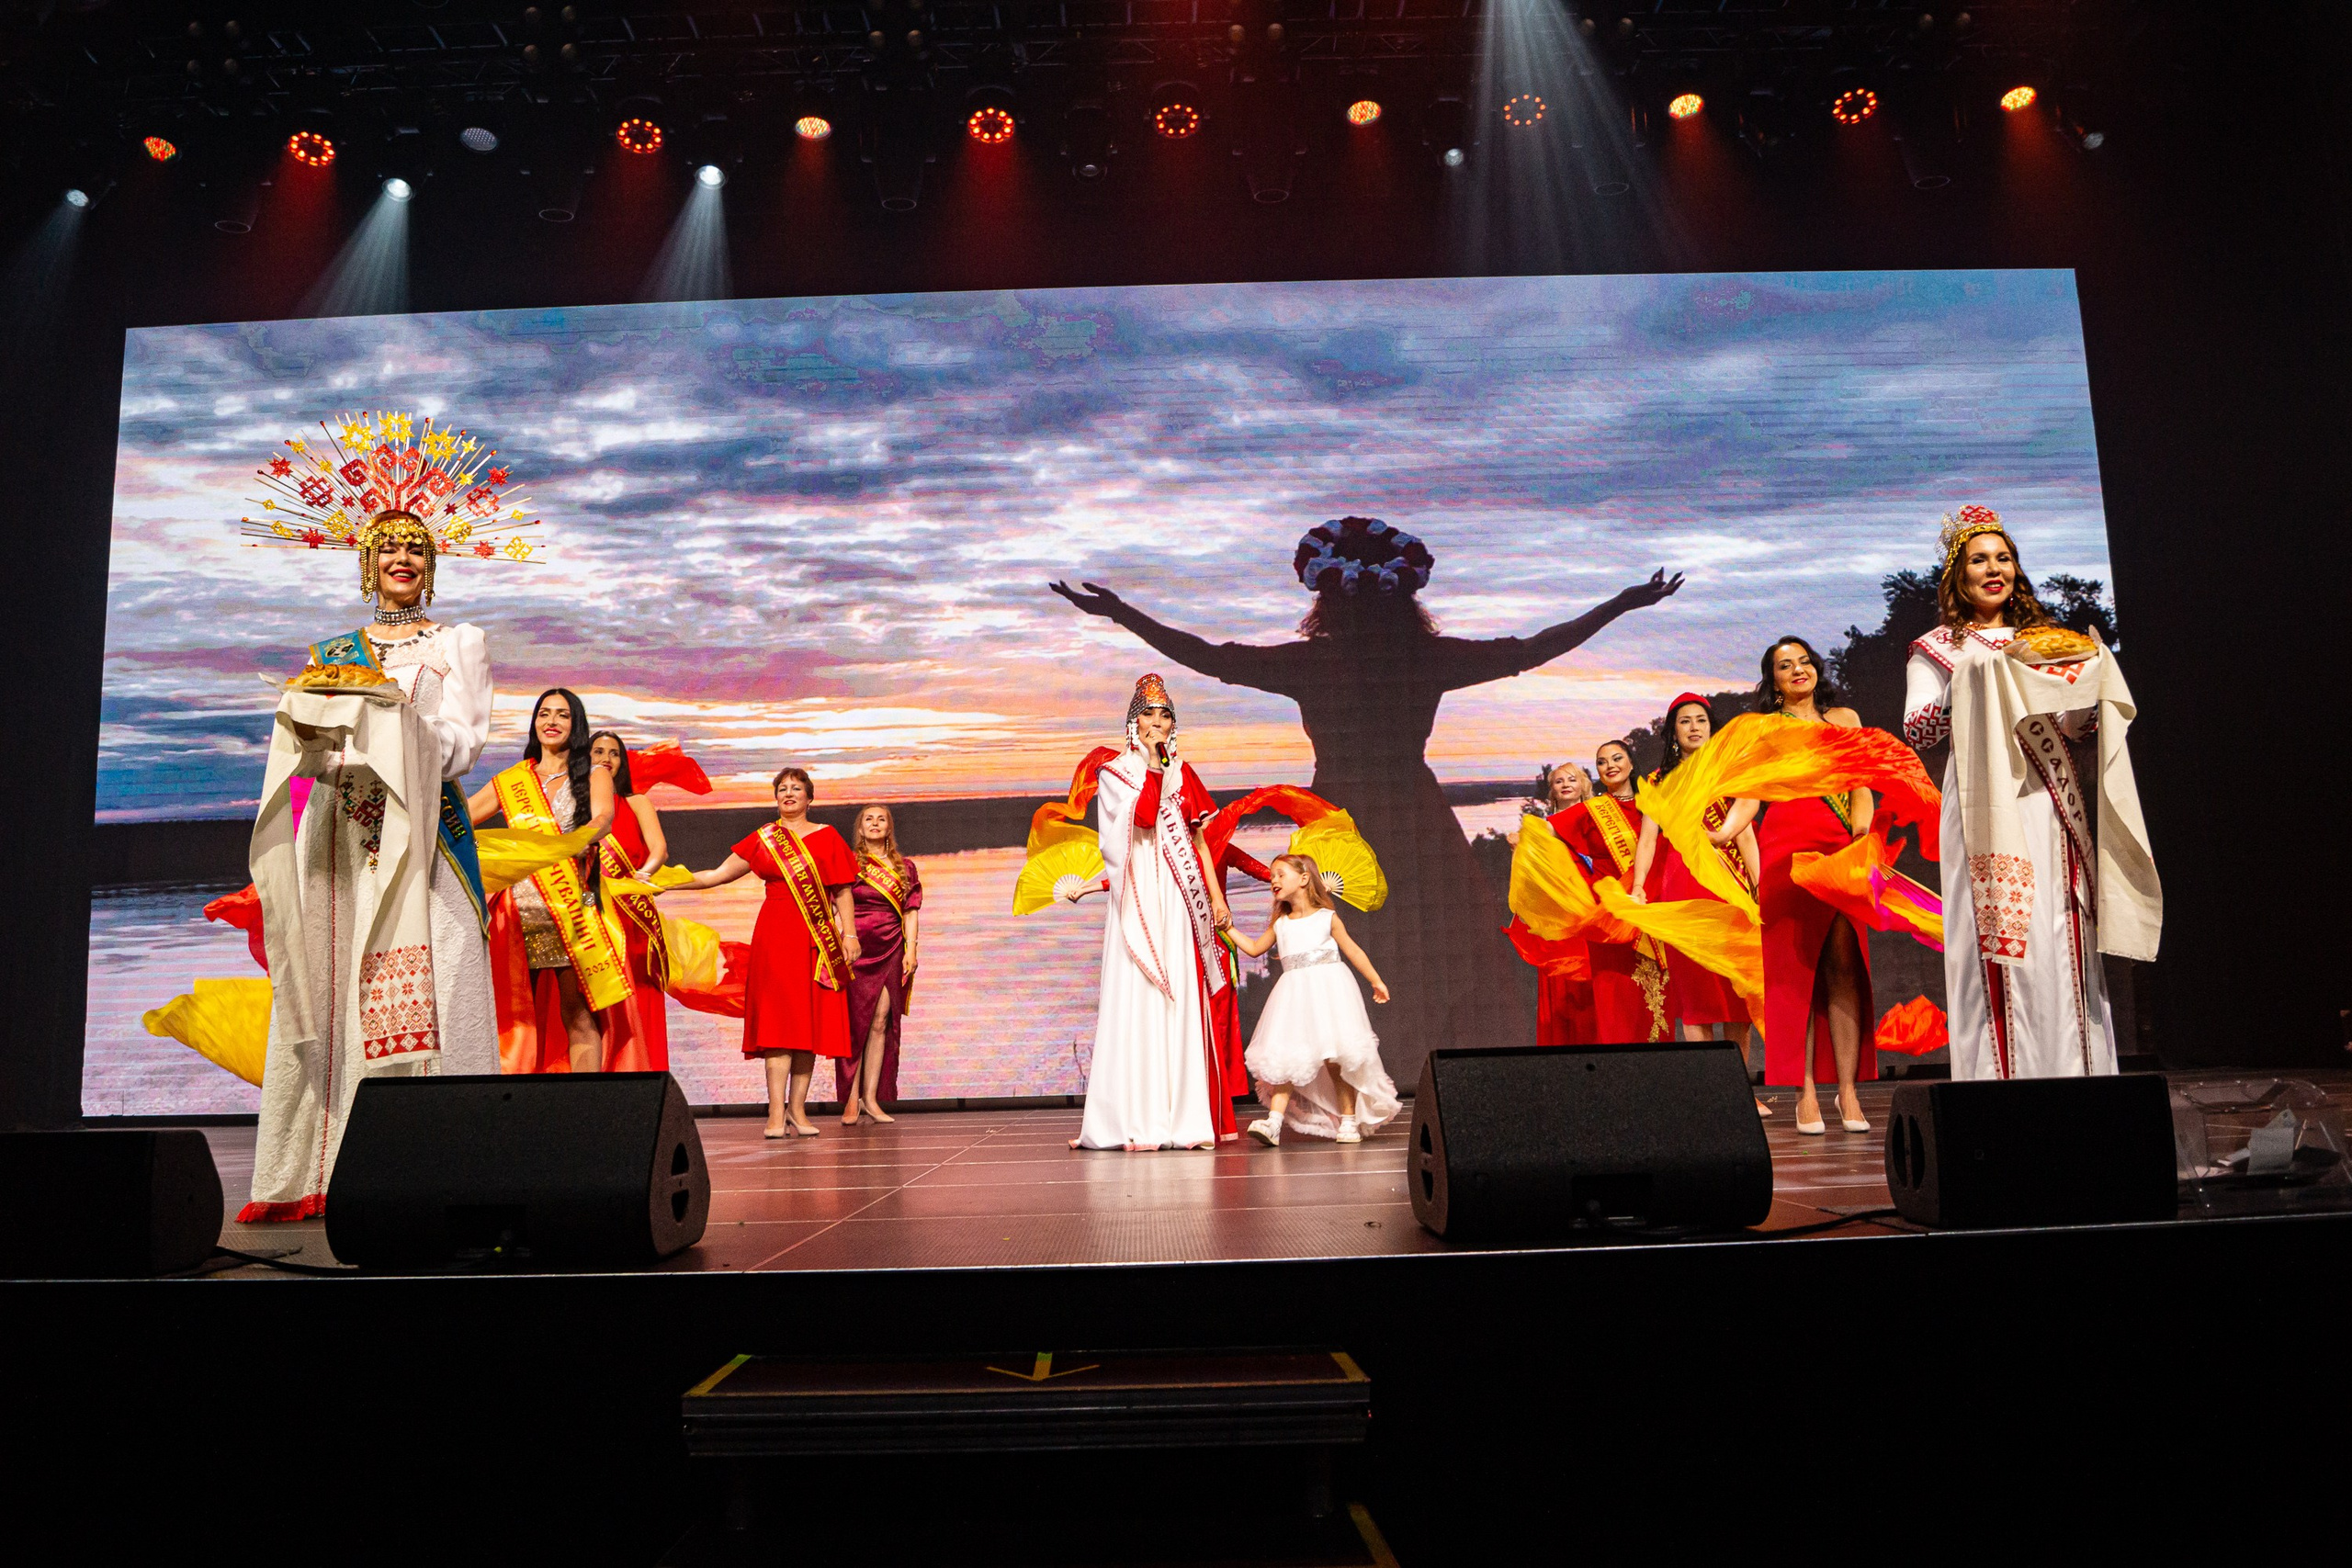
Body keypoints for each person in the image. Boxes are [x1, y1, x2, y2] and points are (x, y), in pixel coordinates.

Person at [1050, 517, 1681, 1088]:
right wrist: (1622, 602)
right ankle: (1428, 1074)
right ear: (1404, 597)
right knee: (1432, 951)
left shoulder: (1314, 663)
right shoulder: (1425, 657)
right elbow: (1530, 649)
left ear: (1327, 600)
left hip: (1338, 819)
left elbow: (1212, 658)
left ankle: (1350, 1082)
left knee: (1336, 950)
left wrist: (1121, 613)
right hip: (1414, 820)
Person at [240, 410, 510, 1223]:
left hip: (424, 831)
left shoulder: (458, 643)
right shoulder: (331, 654)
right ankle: (324, 1170)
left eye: (416, 549)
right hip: (338, 835)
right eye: (388, 547)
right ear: (367, 561)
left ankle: (447, 1176)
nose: (402, 558)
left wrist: (394, 720)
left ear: (431, 566)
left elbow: (462, 746)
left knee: (441, 985)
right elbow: (309, 753)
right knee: (332, 990)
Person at [1903, 506, 2160, 1079]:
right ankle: (2000, 1086)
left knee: (2059, 927)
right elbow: (1919, 729)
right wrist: (1973, 674)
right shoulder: (1937, 648)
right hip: (1982, 802)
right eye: (1979, 560)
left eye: (2004, 558)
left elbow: (2074, 726)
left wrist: (2089, 685)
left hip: (2047, 798)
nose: (1994, 569)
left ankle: (2077, 1076)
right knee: (1996, 935)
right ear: (1958, 575)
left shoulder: (2043, 641)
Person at [1709, 640, 1875, 1135]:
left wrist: (1862, 839)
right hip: (1786, 850)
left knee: (1844, 965)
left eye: (1804, 661)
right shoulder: (1763, 729)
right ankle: (1805, 1093)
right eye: (1786, 665)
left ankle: (1847, 1091)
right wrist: (1722, 833)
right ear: (1773, 680)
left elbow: (1861, 787)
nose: (1798, 669)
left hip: (1839, 847)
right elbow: (1749, 798)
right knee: (1794, 972)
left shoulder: (1844, 719)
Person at [1064, 674, 1235, 1152]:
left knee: (1178, 994)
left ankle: (1181, 1119)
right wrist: (1156, 770)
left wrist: (1216, 898)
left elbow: (1198, 841)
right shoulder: (1115, 773)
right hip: (1138, 894)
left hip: (1177, 897)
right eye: (1148, 715)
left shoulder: (1185, 772)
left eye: (1165, 716)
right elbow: (1140, 820)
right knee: (1138, 992)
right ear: (1133, 723)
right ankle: (1134, 1117)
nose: (1157, 723)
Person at [662, 768, 858, 1137]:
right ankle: (774, 1113)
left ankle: (797, 1111)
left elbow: (843, 890)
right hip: (775, 937)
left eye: (796, 788)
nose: (789, 793)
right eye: (782, 788)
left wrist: (849, 935)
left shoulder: (828, 836)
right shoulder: (765, 838)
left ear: (809, 798)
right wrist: (665, 883)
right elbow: (715, 875)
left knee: (807, 1024)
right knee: (779, 1024)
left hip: (815, 939)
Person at [1628, 694, 1769, 1113]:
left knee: (1736, 993)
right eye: (1685, 721)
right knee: (1696, 998)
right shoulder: (1658, 781)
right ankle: (1710, 1095)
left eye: (1701, 720)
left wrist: (1759, 884)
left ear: (1711, 727)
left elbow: (1745, 833)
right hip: (1683, 886)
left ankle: (1740, 1092)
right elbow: (1648, 839)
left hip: (1729, 885)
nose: (1694, 727)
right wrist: (1639, 885)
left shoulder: (1728, 771)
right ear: (1674, 731)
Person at [473, 689, 625, 1075]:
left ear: (576, 724)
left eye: (562, 714)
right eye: (544, 713)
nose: (552, 721)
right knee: (513, 1019)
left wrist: (576, 841)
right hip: (518, 911)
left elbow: (603, 819)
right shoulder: (512, 781)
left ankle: (584, 1101)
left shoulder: (594, 774)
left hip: (573, 907)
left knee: (578, 1013)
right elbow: (461, 819)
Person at [1232, 853, 1399, 1145]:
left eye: (1281, 874)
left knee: (1336, 1057)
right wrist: (1228, 928)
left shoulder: (1326, 918)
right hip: (1294, 996)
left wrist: (1376, 980)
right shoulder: (1281, 924)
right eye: (1272, 876)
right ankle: (1273, 1122)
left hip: (1329, 992)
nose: (1274, 880)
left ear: (1304, 878)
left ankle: (1348, 1120)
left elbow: (1353, 950)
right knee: (1288, 1057)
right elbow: (1255, 948)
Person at [1545, 739, 1670, 1043]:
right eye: (1602, 762)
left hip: (1649, 909)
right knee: (1615, 1001)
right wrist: (1521, 837)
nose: (1610, 765)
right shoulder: (1592, 810)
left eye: (1617, 758)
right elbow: (1545, 830)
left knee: (1655, 1000)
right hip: (1609, 920)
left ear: (1631, 763)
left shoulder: (1651, 804)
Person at [587, 730, 673, 1073]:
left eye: (614, 753)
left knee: (637, 995)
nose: (606, 759)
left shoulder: (637, 802)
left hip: (632, 917)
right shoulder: (576, 804)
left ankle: (640, 1075)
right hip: (589, 915)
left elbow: (659, 850)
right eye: (598, 751)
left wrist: (642, 875)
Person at [838, 804, 922, 1126]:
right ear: (860, 829)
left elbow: (910, 912)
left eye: (881, 819)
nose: (875, 824)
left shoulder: (905, 867)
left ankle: (871, 1099)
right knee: (854, 1024)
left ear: (889, 827)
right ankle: (850, 1098)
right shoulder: (848, 864)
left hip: (891, 948)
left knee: (880, 1021)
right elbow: (835, 905)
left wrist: (911, 950)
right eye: (868, 819)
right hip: (855, 950)